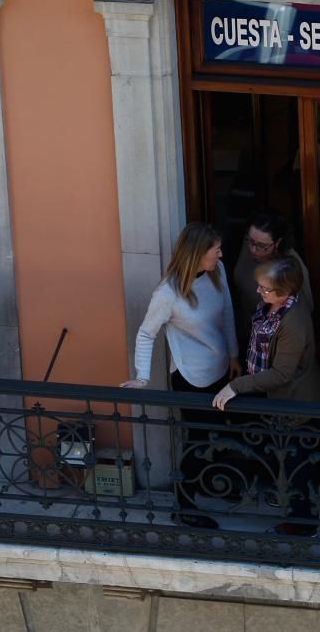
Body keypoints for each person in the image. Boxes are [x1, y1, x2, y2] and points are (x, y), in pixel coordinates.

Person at [121, 222, 240, 529]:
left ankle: (213, 484)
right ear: (198, 253)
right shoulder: (168, 292)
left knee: (219, 435)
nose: (221, 254)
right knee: (199, 440)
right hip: (190, 377)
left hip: (221, 370)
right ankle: (184, 503)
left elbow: (227, 312)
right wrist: (142, 377)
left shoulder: (218, 272)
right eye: (216, 250)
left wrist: (235, 356)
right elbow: (146, 334)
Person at [212, 255, 320, 535]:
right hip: (274, 400)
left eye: (265, 288)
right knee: (284, 459)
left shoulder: (293, 321)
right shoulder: (272, 307)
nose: (258, 291)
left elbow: (282, 374)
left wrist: (236, 386)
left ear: (285, 293)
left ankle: (302, 524)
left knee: (296, 464)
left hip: (293, 403)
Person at [232, 209, 313, 350]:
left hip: (274, 348)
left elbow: (303, 312)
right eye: (250, 241)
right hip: (247, 338)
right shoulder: (250, 245)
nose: (253, 250)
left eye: (262, 246)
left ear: (278, 243)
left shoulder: (289, 267)